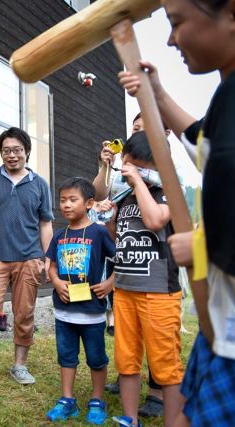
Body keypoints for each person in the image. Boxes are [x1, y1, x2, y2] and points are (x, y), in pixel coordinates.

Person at [118, 1, 235, 425]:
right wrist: (158, 96)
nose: (170, 39)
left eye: (178, 23)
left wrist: (204, 245)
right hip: (219, 322)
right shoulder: (227, 96)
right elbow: (203, 142)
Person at [105, 132, 184, 427]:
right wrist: (111, 215)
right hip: (125, 289)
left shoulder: (169, 192)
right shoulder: (125, 197)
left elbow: (154, 221)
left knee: (165, 364)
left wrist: (138, 183)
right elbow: (117, 237)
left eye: (135, 167)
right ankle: (130, 418)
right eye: (126, 166)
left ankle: (173, 421)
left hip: (158, 292)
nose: (127, 172)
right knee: (126, 359)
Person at [0, 126, 53, 385]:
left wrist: (48, 260)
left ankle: (20, 365)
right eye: (6, 151)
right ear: (0, 153)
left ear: (27, 151)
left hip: (29, 257)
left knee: (25, 314)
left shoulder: (40, 184)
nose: (12, 155)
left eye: (17, 150)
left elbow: (45, 224)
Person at [45, 177, 116, 424]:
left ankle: (97, 400)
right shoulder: (58, 235)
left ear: (88, 203)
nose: (66, 205)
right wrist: (55, 281)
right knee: (67, 356)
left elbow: (120, 260)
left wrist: (110, 283)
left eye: (72, 200)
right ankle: (67, 400)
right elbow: (51, 266)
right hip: (64, 313)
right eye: (62, 200)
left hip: (93, 312)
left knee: (96, 358)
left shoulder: (98, 232)